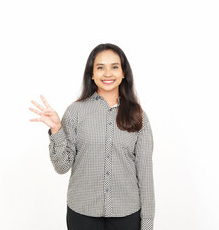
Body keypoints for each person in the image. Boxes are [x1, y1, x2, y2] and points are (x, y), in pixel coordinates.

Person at [29, 43, 155, 230]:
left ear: (123, 73)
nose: (107, 74)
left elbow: (145, 175)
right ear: (92, 74)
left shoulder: (139, 116)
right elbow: (62, 166)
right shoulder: (75, 112)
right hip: (82, 214)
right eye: (100, 67)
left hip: (127, 214)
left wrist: (147, 222)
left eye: (114, 67)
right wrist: (56, 129)